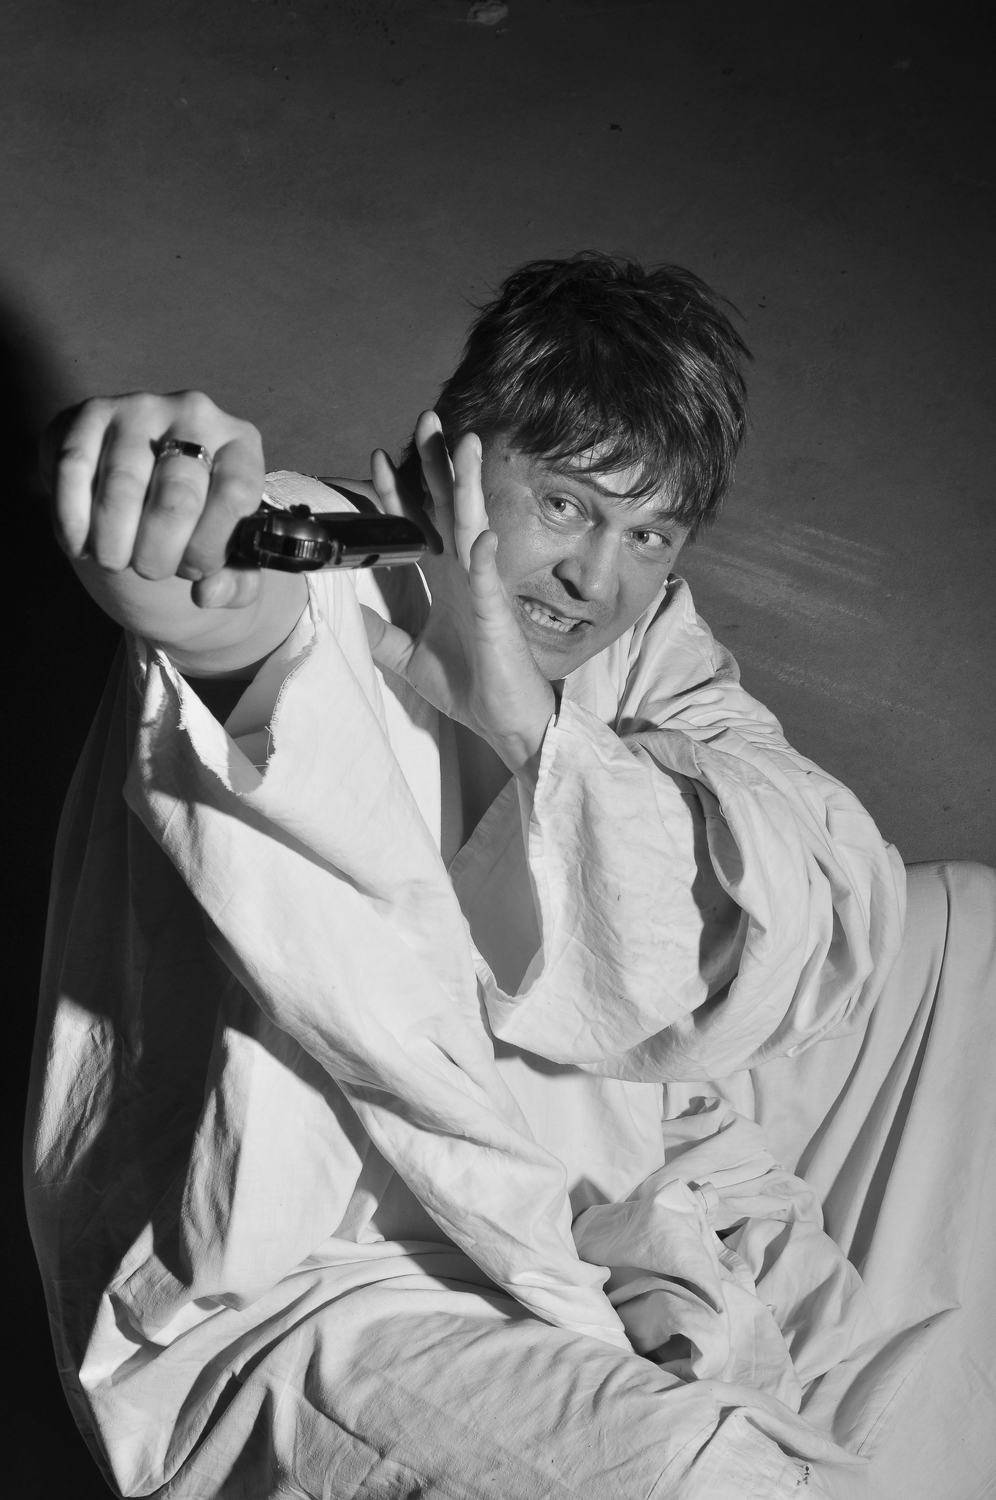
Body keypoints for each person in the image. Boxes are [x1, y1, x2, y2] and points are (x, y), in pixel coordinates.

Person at [26, 253, 995, 1499]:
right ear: (452, 459)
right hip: (332, 1281)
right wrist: (165, 550)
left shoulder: (646, 641)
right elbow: (241, 634)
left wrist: (531, 725)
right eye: (568, 505)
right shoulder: (314, 561)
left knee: (967, 928)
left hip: (600, 1163)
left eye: (650, 533)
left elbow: (815, 882)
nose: (600, 578)